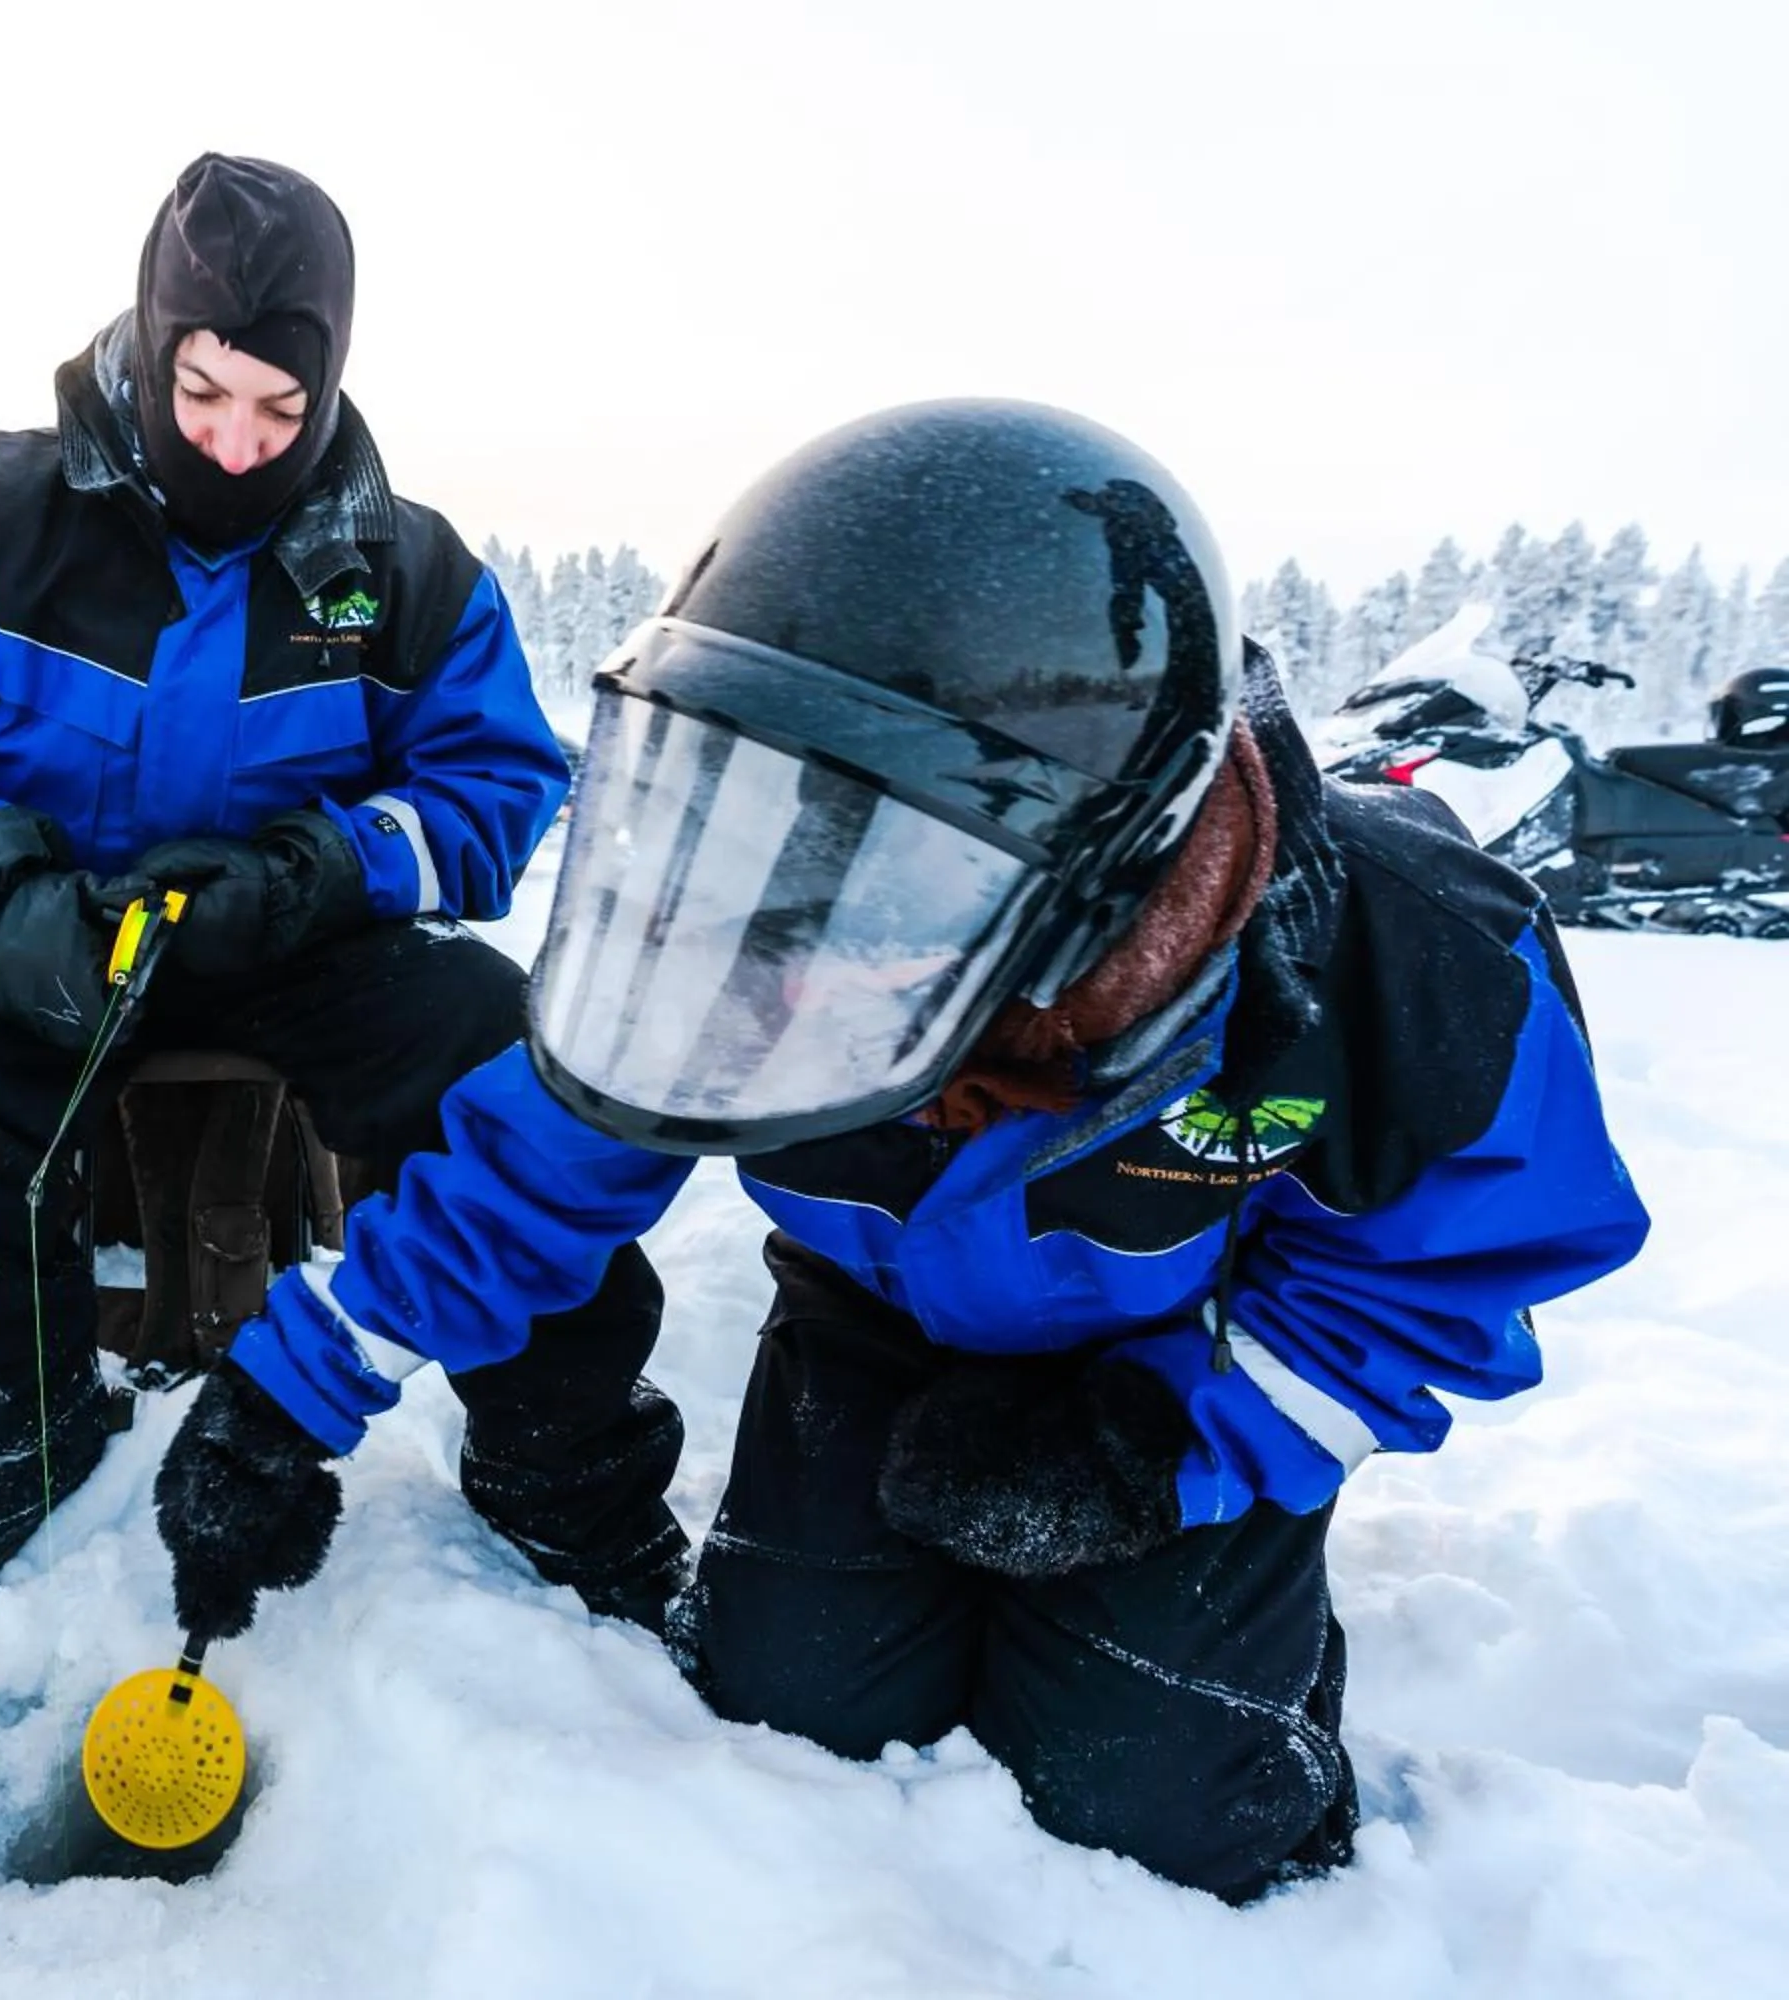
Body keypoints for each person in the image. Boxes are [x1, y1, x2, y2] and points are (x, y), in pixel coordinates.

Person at [151, 398, 1653, 1902]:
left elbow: (1452, 1272)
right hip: (873, 1329)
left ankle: (1251, 1683)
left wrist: (1154, 1453)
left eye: (872, 892)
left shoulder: (1401, 962)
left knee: (1152, 1802)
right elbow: (542, 1163)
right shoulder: (770, 902)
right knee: (794, 1708)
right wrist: (293, 1393)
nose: (789, 961)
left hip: (1183, 1366)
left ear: (1073, 881)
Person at [0, 154, 685, 1640]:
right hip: (36, 929)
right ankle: (3, 1437)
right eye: (206, 394)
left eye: (282, 408)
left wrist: (325, 870)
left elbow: (497, 785)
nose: (242, 444)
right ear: (150, 337)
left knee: (508, 1074)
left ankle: (563, 1465)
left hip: (288, 936)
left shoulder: (406, 564)